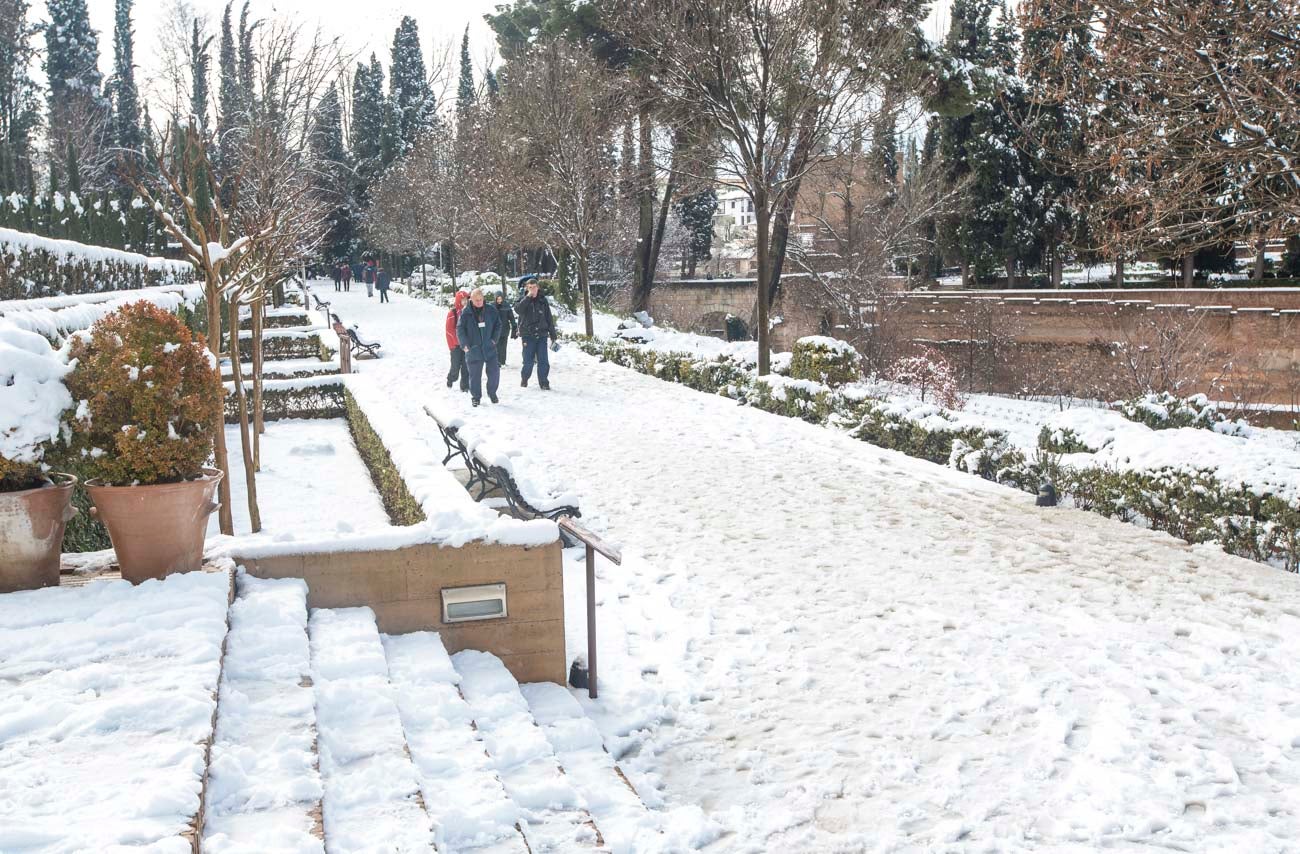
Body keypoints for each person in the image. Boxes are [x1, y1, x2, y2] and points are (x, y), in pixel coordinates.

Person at [456, 287, 502, 406]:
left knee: (494, 372)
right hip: (473, 349)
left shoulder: (491, 310)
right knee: (475, 375)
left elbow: (498, 325)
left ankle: (492, 393)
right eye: (476, 300)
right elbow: (460, 329)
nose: (479, 302)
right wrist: (464, 344)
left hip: (489, 347)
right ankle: (476, 397)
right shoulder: (465, 312)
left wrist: (494, 340)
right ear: (471, 300)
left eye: (480, 299)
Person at [515, 277, 557, 390]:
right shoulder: (522, 299)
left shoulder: (543, 300)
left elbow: (548, 317)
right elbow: (518, 310)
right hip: (527, 335)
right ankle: (524, 378)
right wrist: (528, 297)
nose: (532, 290)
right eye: (530, 287)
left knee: (543, 361)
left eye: (534, 287)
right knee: (528, 362)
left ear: (538, 288)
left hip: (542, 334)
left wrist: (552, 333)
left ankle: (544, 382)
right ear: (526, 288)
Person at [445, 291, 470, 392]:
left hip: (466, 345)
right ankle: (451, 378)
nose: (465, 302)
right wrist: (455, 343)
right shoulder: (453, 313)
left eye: (466, 300)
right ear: (459, 301)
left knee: (466, 366)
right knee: (455, 366)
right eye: (463, 300)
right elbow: (449, 330)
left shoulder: (469, 312)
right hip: (455, 345)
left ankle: (465, 386)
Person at [494, 292, 517, 365]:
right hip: (495, 330)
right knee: (497, 346)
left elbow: (511, 317)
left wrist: (514, 326)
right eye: (498, 299)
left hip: (505, 329)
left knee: (503, 346)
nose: (499, 301)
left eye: (500, 299)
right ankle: (497, 362)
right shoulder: (492, 306)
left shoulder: (506, 306)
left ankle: (503, 361)